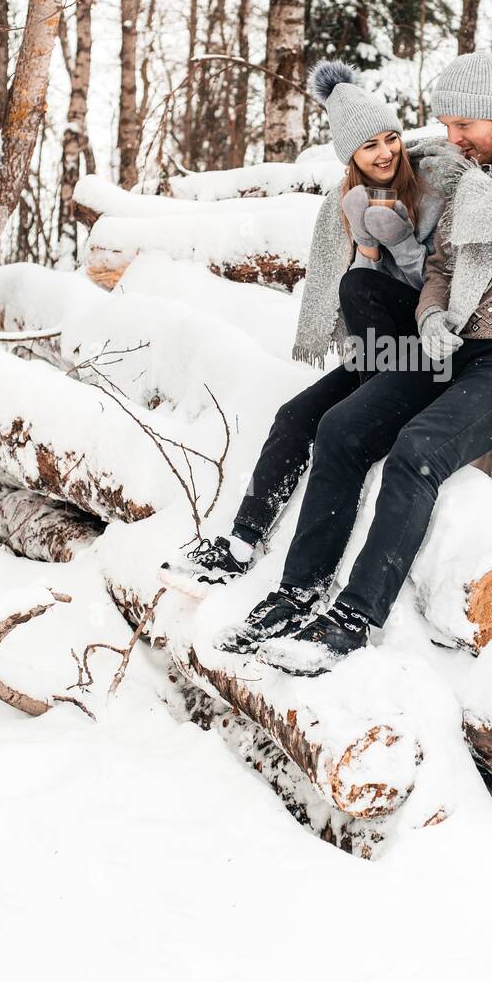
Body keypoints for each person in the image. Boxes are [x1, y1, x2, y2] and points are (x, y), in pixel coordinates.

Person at [217, 50, 492, 677]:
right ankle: (297, 589)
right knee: (341, 429)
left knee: (419, 449)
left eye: (460, 127)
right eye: (446, 128)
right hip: (461, 345)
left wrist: (458, 174)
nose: (449, 139)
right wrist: (428, 317)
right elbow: (445, 267)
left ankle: (354, 617)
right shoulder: (477, 165)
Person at [159, 60, 450, 599]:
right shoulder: (342, 206)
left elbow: (442, 282)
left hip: (426, 351)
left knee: (359, 294)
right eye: (370, 146)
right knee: (294, 415)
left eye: (391, 138)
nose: (386, 152)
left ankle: (368, 402)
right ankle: (241, 542)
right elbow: (347, 286)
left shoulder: (433, 190)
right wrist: (365, 245)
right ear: (351, 157)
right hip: (378, 353)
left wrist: (402, 244)